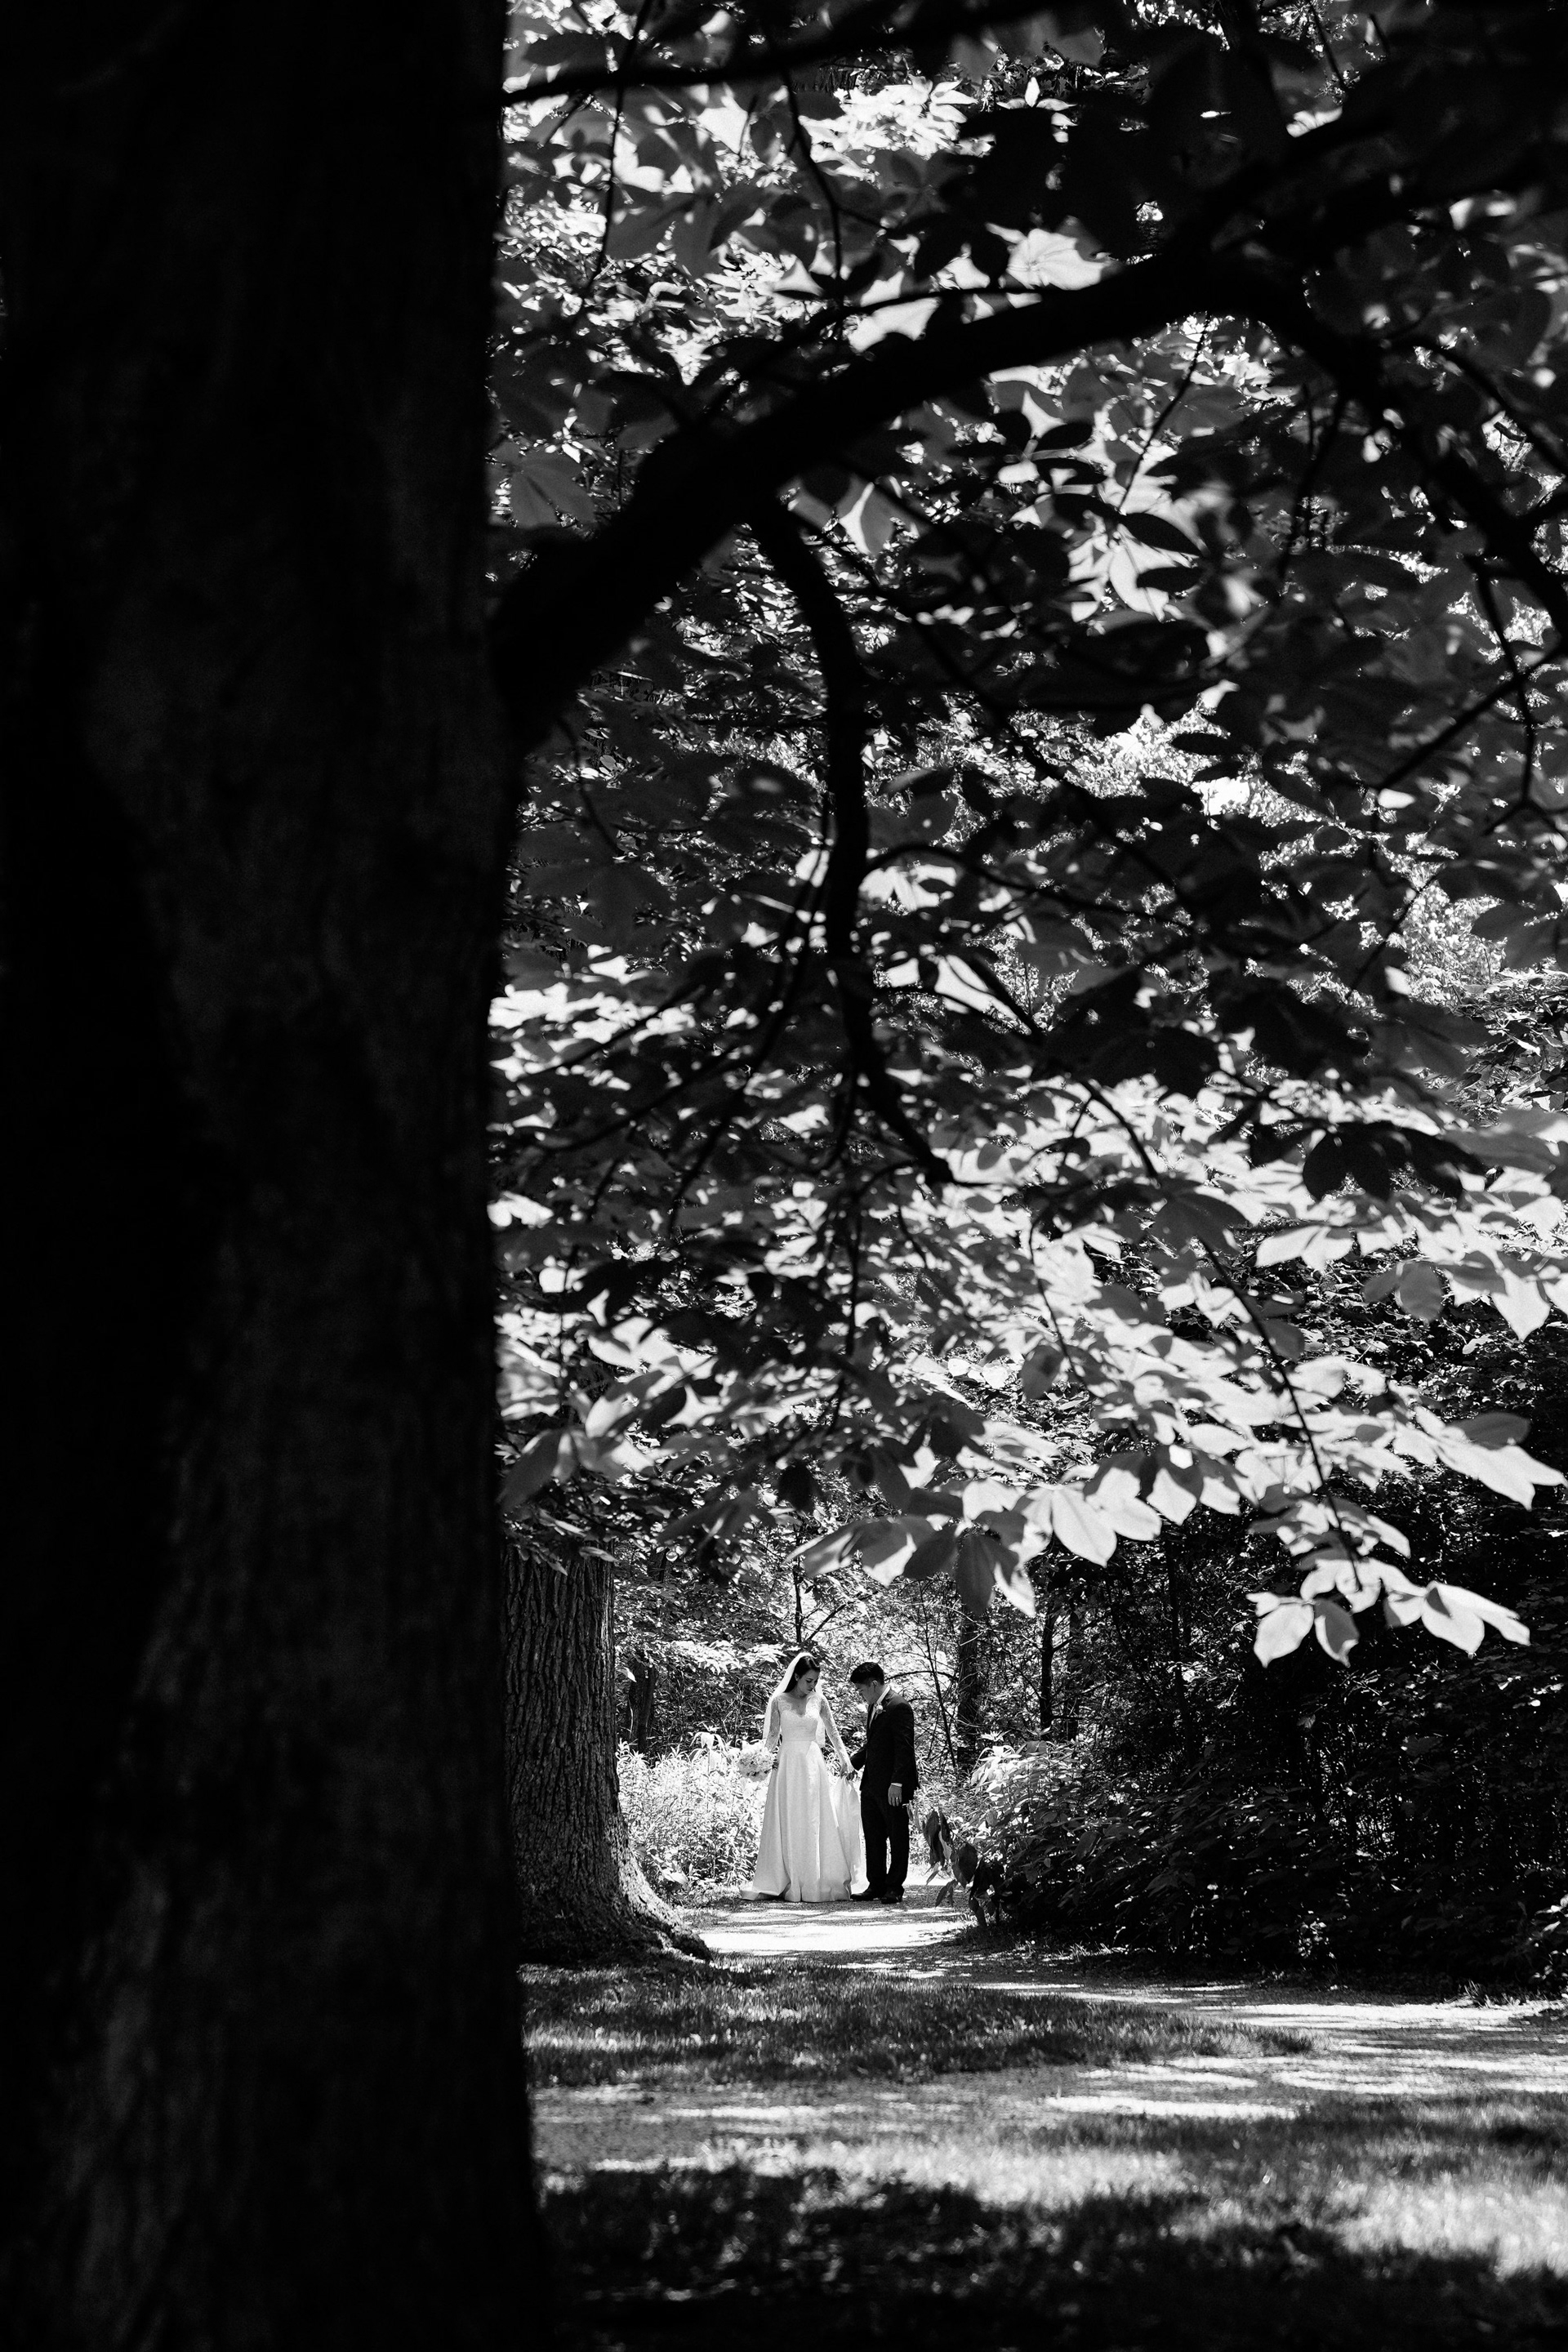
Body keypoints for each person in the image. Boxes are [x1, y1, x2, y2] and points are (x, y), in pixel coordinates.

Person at [749, 1652, 864, 1904]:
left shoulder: (819, 1701)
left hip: (812, 1763)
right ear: (797, 1677)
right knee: (790, 1816)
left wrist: (845, 1760)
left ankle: (815, 1879)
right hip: (787, 1764)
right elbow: (772, 1736)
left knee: (813, 1817)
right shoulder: (779, 1701)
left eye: (816, 1681)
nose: (813, 1685)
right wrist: (761, 1761)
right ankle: (789, 1877)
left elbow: (833, 1733)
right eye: (809, 1681)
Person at [848, 1661, 920, 1906]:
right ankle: (876, 1884)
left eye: (861, 1690)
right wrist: (852, 1763)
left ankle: (894, 1887)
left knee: (897, 1835)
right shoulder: (873, 1707)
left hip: (892, 1785)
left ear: (874, 1684)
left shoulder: (899, 1706)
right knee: (873, 1835)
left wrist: (897, 1783)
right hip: (870, 1784)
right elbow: (873, 1744)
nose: (860, 1695)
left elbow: (904, 1748)